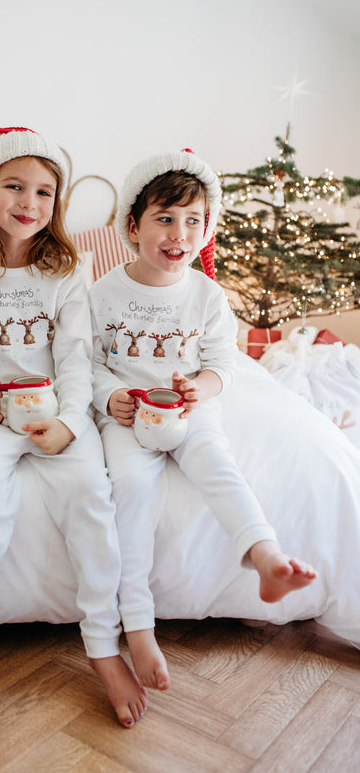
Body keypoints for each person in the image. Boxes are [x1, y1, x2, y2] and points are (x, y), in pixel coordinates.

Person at [0, 127, 147, 728]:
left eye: (45, 192)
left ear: (57, 204)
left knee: (91, 496)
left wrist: (72, 423)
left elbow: (76, 359)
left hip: (58, 415)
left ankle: (103, 644)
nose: (29, 202)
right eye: (14, 186)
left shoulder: (69, 271)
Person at [88, 148, 317, 692]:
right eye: (165, 219)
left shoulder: (209, 295)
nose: (179, 234)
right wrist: (110, 397)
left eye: (194, 221)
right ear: (132, 226)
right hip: (129, 417)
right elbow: (87, 362)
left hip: (189, 409)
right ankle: (138, 627)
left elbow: (223, 363)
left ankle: (265, 557)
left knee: (218, 464)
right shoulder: (104, 292)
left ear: (207, 228)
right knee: (130, 489)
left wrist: (202, 388)